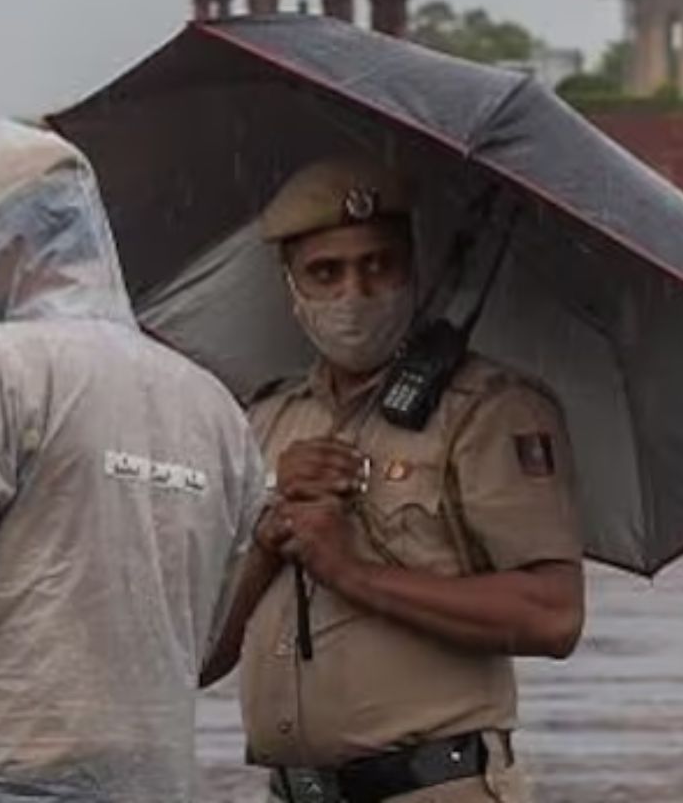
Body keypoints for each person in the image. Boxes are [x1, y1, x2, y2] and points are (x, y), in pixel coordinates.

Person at [0, 121, 263, 802]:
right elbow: (208, 633)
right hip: (154, 776)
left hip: (4, 768)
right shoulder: (212, 405)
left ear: (10, 243)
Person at [201, 156, 586, 803]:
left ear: (414, 271)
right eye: (326, 272)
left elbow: (553, 616)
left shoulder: (486, 410)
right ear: (292, 290)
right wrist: (266, 531)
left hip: (436, 785)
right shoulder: (263, 422)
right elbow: (200, 654)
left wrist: (354, 574)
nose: (355, 292)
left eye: (378, 264)